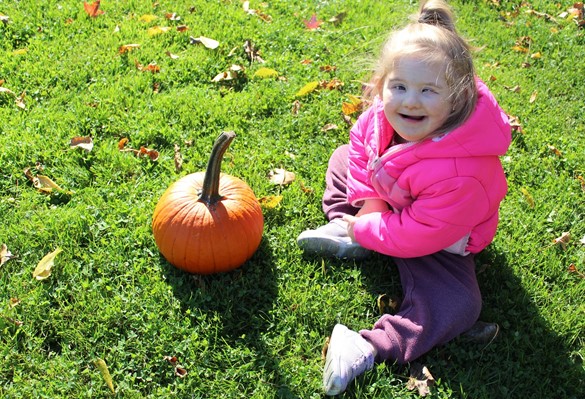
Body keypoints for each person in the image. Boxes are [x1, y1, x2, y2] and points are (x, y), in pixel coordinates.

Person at [296, 0, 511, 395]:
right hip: (391, 204)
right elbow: (361, 148)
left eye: (428, 91)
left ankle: (367, 345)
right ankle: (348, 229)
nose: (410, 101)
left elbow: (419, 233)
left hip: (440, 241)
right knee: (343, 159)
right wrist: (370, 208)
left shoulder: (466, 173)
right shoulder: (382, 112)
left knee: (458, 303)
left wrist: (369, 228)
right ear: (384, 83)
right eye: (399, 87)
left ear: (459, 99)